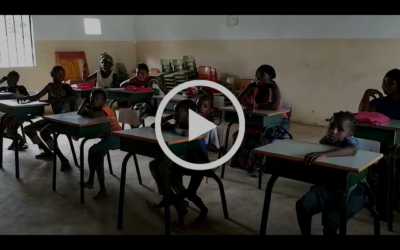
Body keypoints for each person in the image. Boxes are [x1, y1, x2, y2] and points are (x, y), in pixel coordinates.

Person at [295, 111, 366, 235]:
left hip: (353, 191)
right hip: (330, 186)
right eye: (331, 126)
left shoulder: (351, 143)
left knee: (330, 225)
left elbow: (352, 150)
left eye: (340, 129)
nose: (333, 131)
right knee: (302, 207)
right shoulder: (325, 141)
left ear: (349, 134)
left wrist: (324, 155)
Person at [147, 99, 210, 233]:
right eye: (174, 113)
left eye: (177, 113)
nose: (174, 115)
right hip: (184, 162)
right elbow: (154, 126)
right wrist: (168, 118)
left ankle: (202, 211)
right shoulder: (179, 124)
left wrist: (174, 125)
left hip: (200, 165)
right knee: (156, 165)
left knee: (191, 194)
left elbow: (186, 134)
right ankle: (178, 203)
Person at [230, 64, 290, 177]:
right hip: (260, 120)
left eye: (262, 75)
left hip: (278, 122)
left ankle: (259, 167)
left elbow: (274, 105)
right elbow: (237, 101)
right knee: (239, 135)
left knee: (264, 136)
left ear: (270, 78)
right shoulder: (253, 86)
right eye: (256, 74)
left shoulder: (272, 87)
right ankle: (241, 163)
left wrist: (253, 106)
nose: (258, 77)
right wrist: (246, 105)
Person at [358, 68, 400, 220]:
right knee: (376, 166)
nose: (384, 86)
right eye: (383, 82)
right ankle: (380, 205)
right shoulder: (380, 102)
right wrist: (366, 94)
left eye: (390, 83)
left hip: (398, 147)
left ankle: (389, 205)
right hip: (381, 146)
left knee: (391, 166)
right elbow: (362, 115)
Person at [20, 66, 77, 172]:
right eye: (58, 73)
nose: (61, 76)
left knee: (44, 133)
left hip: (66, 120)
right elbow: (37, 96)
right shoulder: (49, 86)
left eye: (63, 73)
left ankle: (63, 159)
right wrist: (28, 98)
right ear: (52, 75)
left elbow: (74, 97)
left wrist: (56, 100)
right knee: (27, 129)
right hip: (54, 119)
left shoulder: (66, 87)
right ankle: (47, 151)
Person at [79, 89, 121, 200]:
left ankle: (92, 180)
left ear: (104, 101)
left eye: (98, 99)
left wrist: (88, 110)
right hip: (107, 137)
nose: (94, 101)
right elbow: (80, 113)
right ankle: (100, 187)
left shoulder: (106, 109)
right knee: (97, 155)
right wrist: (85, 102)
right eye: (92, 98)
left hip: (118, 138)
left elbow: (93, 115)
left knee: (93, 150)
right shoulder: (95, 107)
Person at [0, 71, 29, 150]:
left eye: (14, 80)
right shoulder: (4, 89)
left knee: (10, 129)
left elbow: (29, 99)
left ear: (17, 80)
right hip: (8, 114)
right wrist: (1, 81)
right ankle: (16, 140)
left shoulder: (20, 88)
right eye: (9, 80)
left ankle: (21, 140)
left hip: (21, 114)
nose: (11, 82)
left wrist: (23, 99)